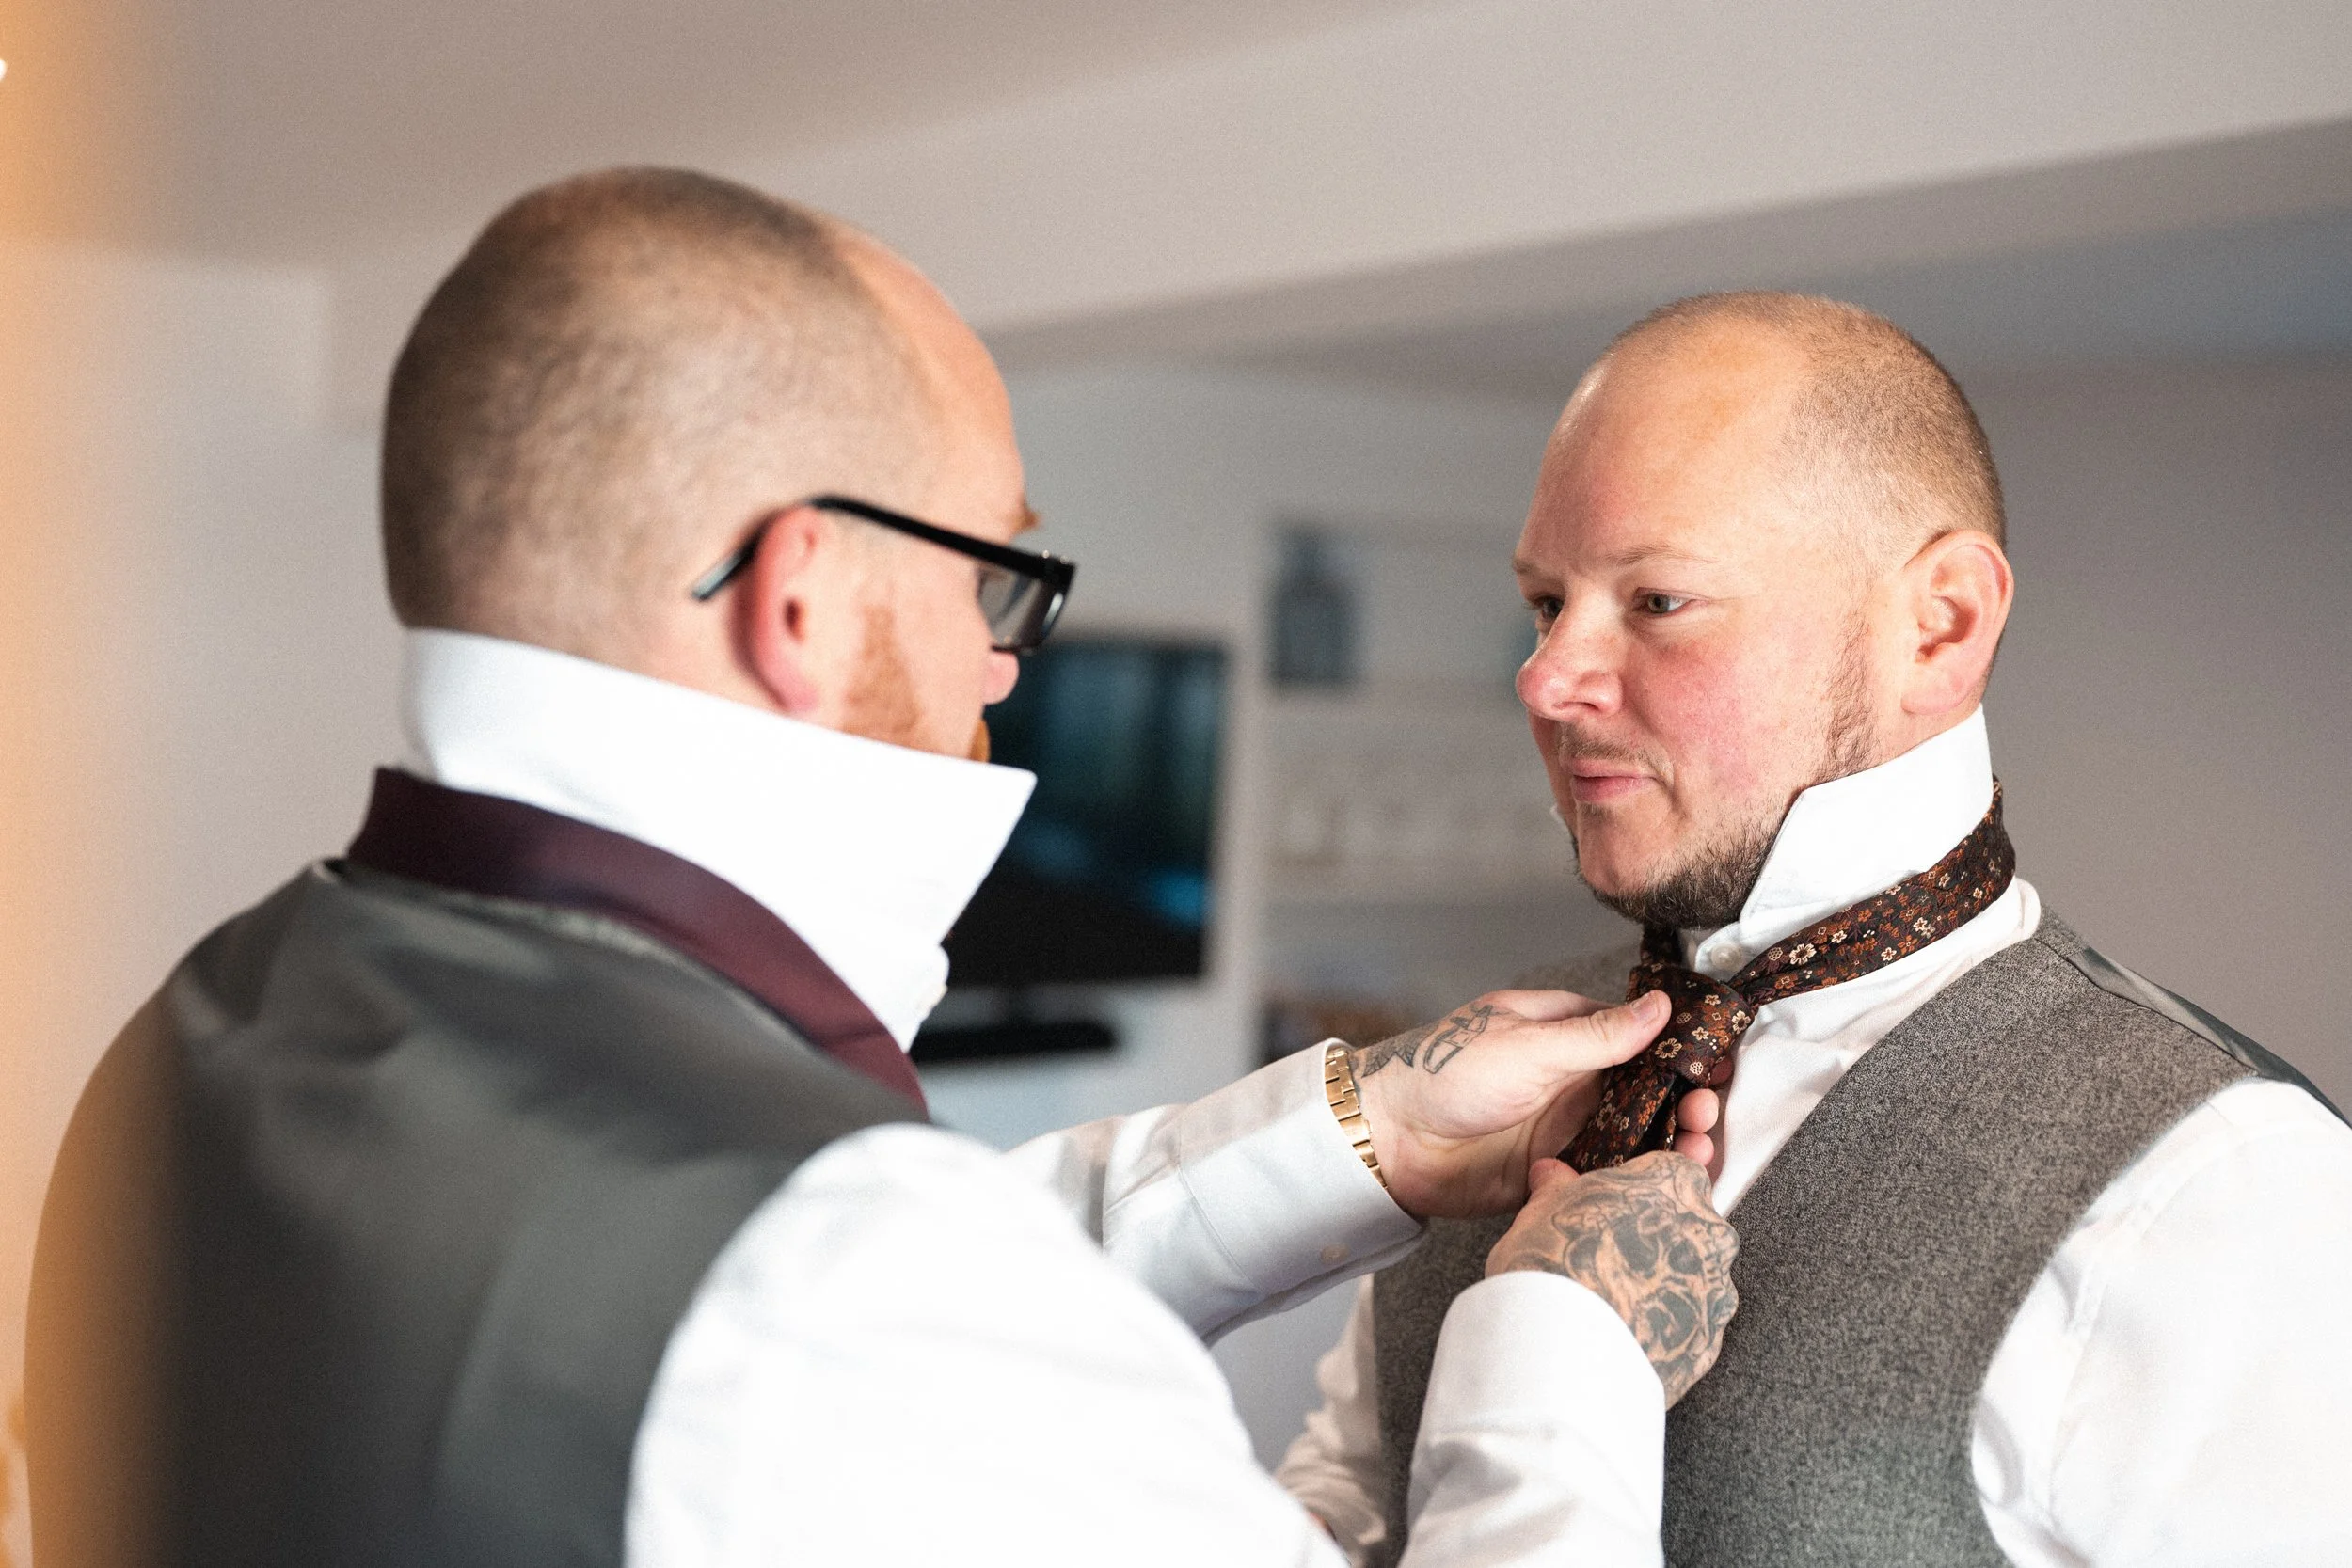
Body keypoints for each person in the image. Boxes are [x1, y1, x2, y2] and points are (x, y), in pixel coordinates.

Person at [25, 168, 1739, 1568]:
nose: (1006, 664)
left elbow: (771, 1273)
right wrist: (1559, 1350)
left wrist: (1359, 1132)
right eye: (997, 575)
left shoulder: (195, 1034)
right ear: (807, 599)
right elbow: (848, 1294)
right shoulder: (846, 1292)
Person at [1278, 291, 2352, 1567]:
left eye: (1658, 598)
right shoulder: (1490, 1077)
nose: (1547, 676)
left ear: (1939, 625)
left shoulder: (2219, 1183)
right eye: (1544, 602)